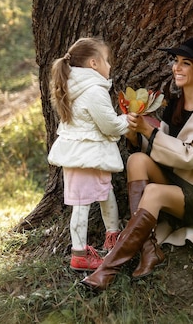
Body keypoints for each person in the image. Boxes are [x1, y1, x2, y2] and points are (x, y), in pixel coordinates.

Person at [81, 37, 193, 291]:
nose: (177, 68)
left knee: (153, 191)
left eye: (186, 63)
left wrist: (150, 132)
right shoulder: (174, 106)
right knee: (136, 160)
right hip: (178, 184)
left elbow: (191, 157)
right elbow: (160, 152)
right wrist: (136, 134)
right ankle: (148, 250)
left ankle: (106, 271)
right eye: (176, 61)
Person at [48, 37, 129, 272]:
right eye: (107, 61)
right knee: (82, 205)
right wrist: (127, 121)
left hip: (83, 154)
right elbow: (110, 126)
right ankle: (79, 253)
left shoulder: (71, 85)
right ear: (94, 63)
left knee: (105, 192)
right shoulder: (93, 90)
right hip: (86, 155)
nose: (110, 66)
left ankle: (112, 236)